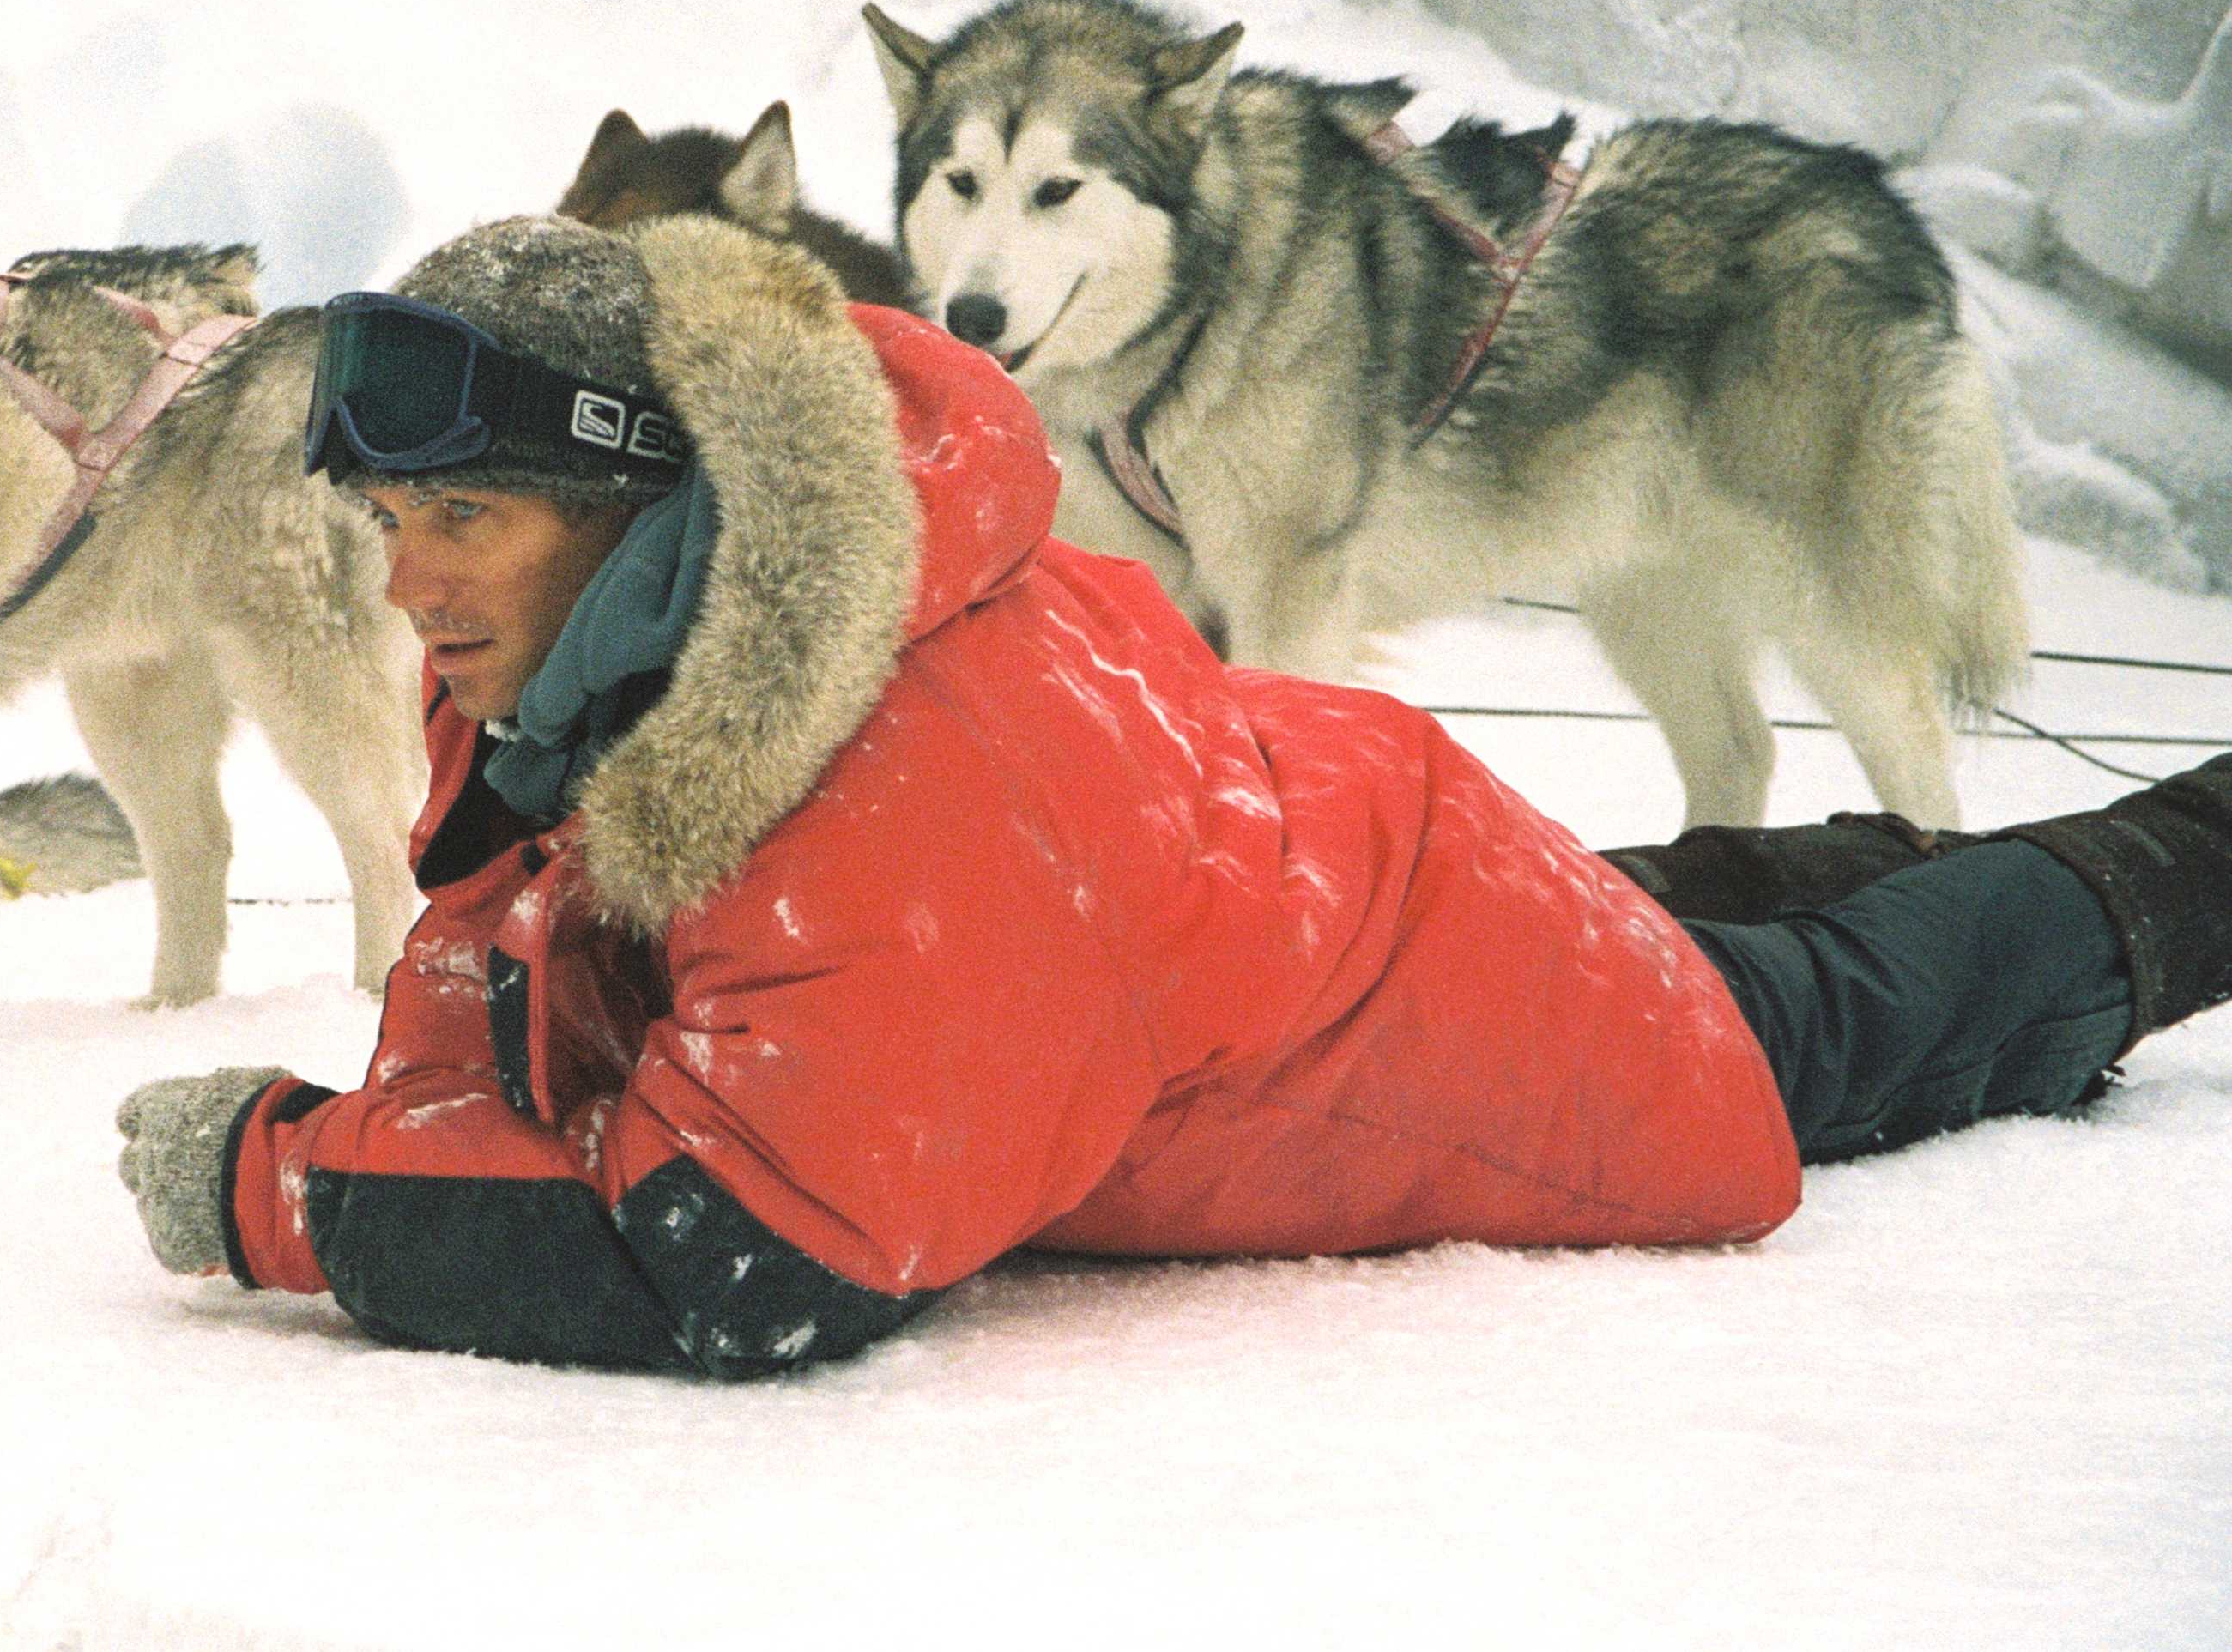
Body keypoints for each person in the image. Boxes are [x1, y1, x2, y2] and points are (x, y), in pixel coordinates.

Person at [113, 214, 2232, 1377]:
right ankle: (1879, 859)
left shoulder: (877, 791)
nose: (404, 585)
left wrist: (281, 1188)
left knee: (1852, 1004)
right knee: (1738, 895)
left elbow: (736, 1245)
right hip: (1325, 861)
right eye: (391, 518)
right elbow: (537, 965)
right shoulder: (693, 629)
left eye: (459, 514)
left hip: (1480, 1017)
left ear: (628, 496)